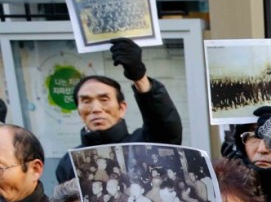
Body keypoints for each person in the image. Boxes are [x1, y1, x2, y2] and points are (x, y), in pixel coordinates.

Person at [55, 39, 182, 182]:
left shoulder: (145, 142)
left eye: (104, 100)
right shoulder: (69, 162)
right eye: (86, 101)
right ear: (79, 112)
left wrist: (139, 77)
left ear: (122, 108)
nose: (96, 109)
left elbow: (165, 125)